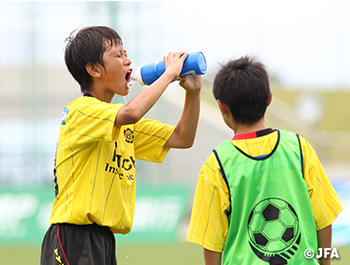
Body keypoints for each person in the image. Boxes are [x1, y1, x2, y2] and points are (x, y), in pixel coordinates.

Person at [40, 26, 202, 265]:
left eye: (126, 54)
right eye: (118, 55)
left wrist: (194, 93)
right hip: (74, 236)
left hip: (103, 239)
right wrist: (168, 74)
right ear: (94, 69)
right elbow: (133, 111)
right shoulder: (81, 110)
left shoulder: (122, 121)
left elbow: (183, 138)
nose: (128, 61)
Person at [187, 56, 343, 265]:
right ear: (269, 98)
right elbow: (324, 219)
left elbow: (212, 243)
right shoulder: (299, 148)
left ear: (222, 106)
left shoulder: (216, 164)